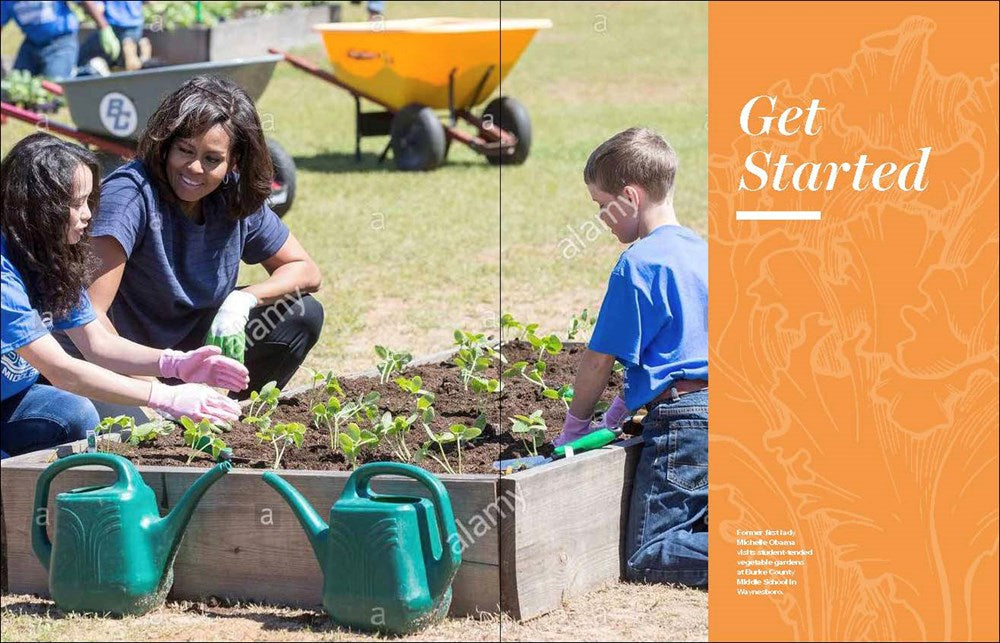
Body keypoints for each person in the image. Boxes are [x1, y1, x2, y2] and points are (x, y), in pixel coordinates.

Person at [1, 133, 247, 459]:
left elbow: (98, 344)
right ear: (37, 207)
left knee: (76, 416)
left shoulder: (48, 257)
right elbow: (62, 370)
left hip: (12, 399)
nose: (88, 214)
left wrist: (176, 364)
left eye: (89, 200)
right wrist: (163, 396)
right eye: (75, 204)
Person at [84, 74, 324, 402]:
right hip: (129, 360)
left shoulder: (230, 195)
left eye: (212, 159)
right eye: (185, 150)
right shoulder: (129, 197)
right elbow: (90, 317)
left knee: (302, 313)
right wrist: (154, 394)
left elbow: (305, 270)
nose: (195, 168)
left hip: (196, 354)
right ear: (166, 144)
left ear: (234, 162)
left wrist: (244, 301)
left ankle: (228, 413)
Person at [553, 127, 708, 586]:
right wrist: (622, 409)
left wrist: (576, 425)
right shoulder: (704, 252)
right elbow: (678, 346)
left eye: (602, 205)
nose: (601, 217)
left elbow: (600, 360)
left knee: (650, 553)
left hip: (685, 426)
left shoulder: (639, 265)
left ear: (629, 197)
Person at [1, 1, 120, 80]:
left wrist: (104, 28)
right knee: (15, 84)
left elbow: (84, 2)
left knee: (55, 88)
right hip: (32, 43)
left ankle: (90, 72)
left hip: (61, 41)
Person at [77, 1, 150, 72]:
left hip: (114, 27)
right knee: (122, 59)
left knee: (81, 59)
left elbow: (96, 7)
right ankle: (138, 58)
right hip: (136, 27)